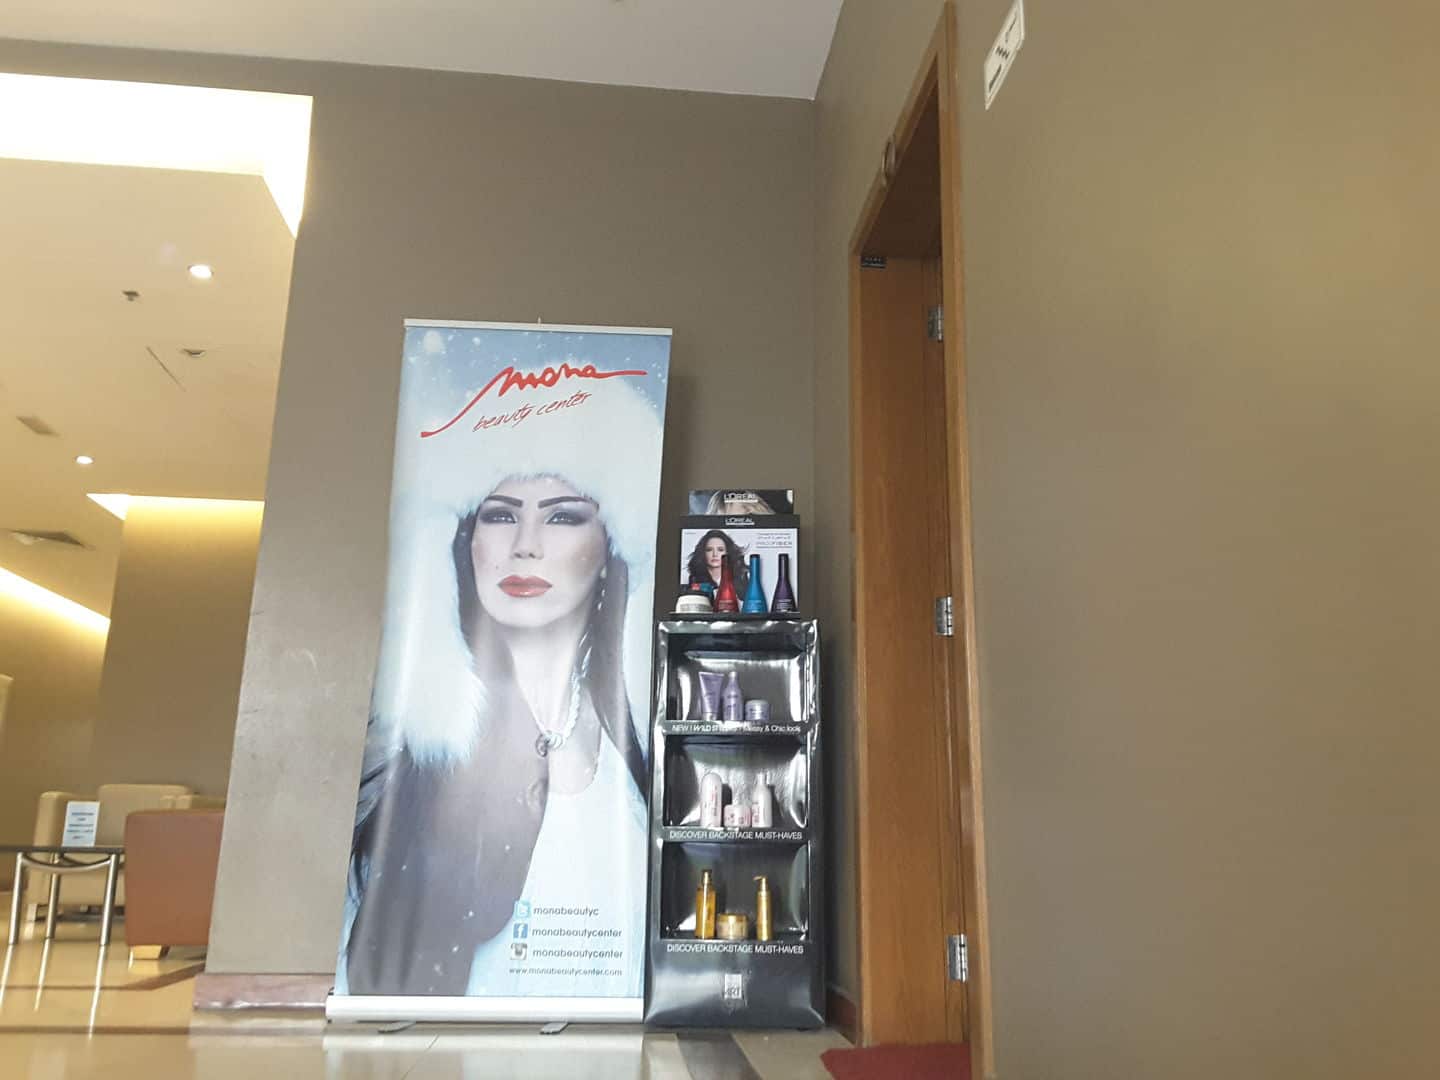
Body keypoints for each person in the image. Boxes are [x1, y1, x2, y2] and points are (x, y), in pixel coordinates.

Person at [337, 349, 661, 1000]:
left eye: (563, 515)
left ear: (609, 547)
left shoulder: (640, 744)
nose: (526, 544)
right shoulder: (404, 737)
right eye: (501, 513)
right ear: (467, 538)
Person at [686, 529, 749, 596]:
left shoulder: (741, 577)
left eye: (720, 550)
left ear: (727, 552)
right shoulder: (695, 579)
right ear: (703, 553)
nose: (715, 554)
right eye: (709, 550)